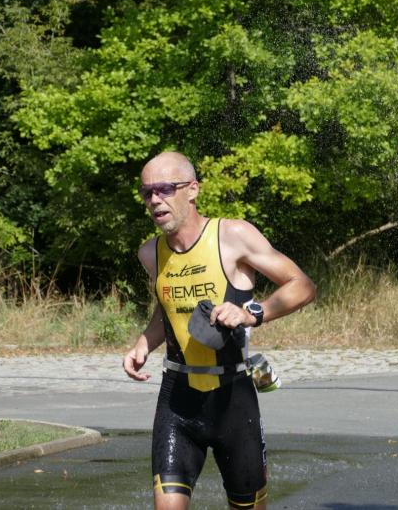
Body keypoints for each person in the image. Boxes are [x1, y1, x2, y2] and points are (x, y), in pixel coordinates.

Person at [123, 152, 316, 510]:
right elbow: (167, 307)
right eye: (147, 192)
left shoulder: (232, 236)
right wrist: (144, 342)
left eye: (165, 189)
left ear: (193, 189)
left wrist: (251, 313)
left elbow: (302, 285)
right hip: (177, 399)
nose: (155, 200)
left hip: (233, 399)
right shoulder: (151, 253)